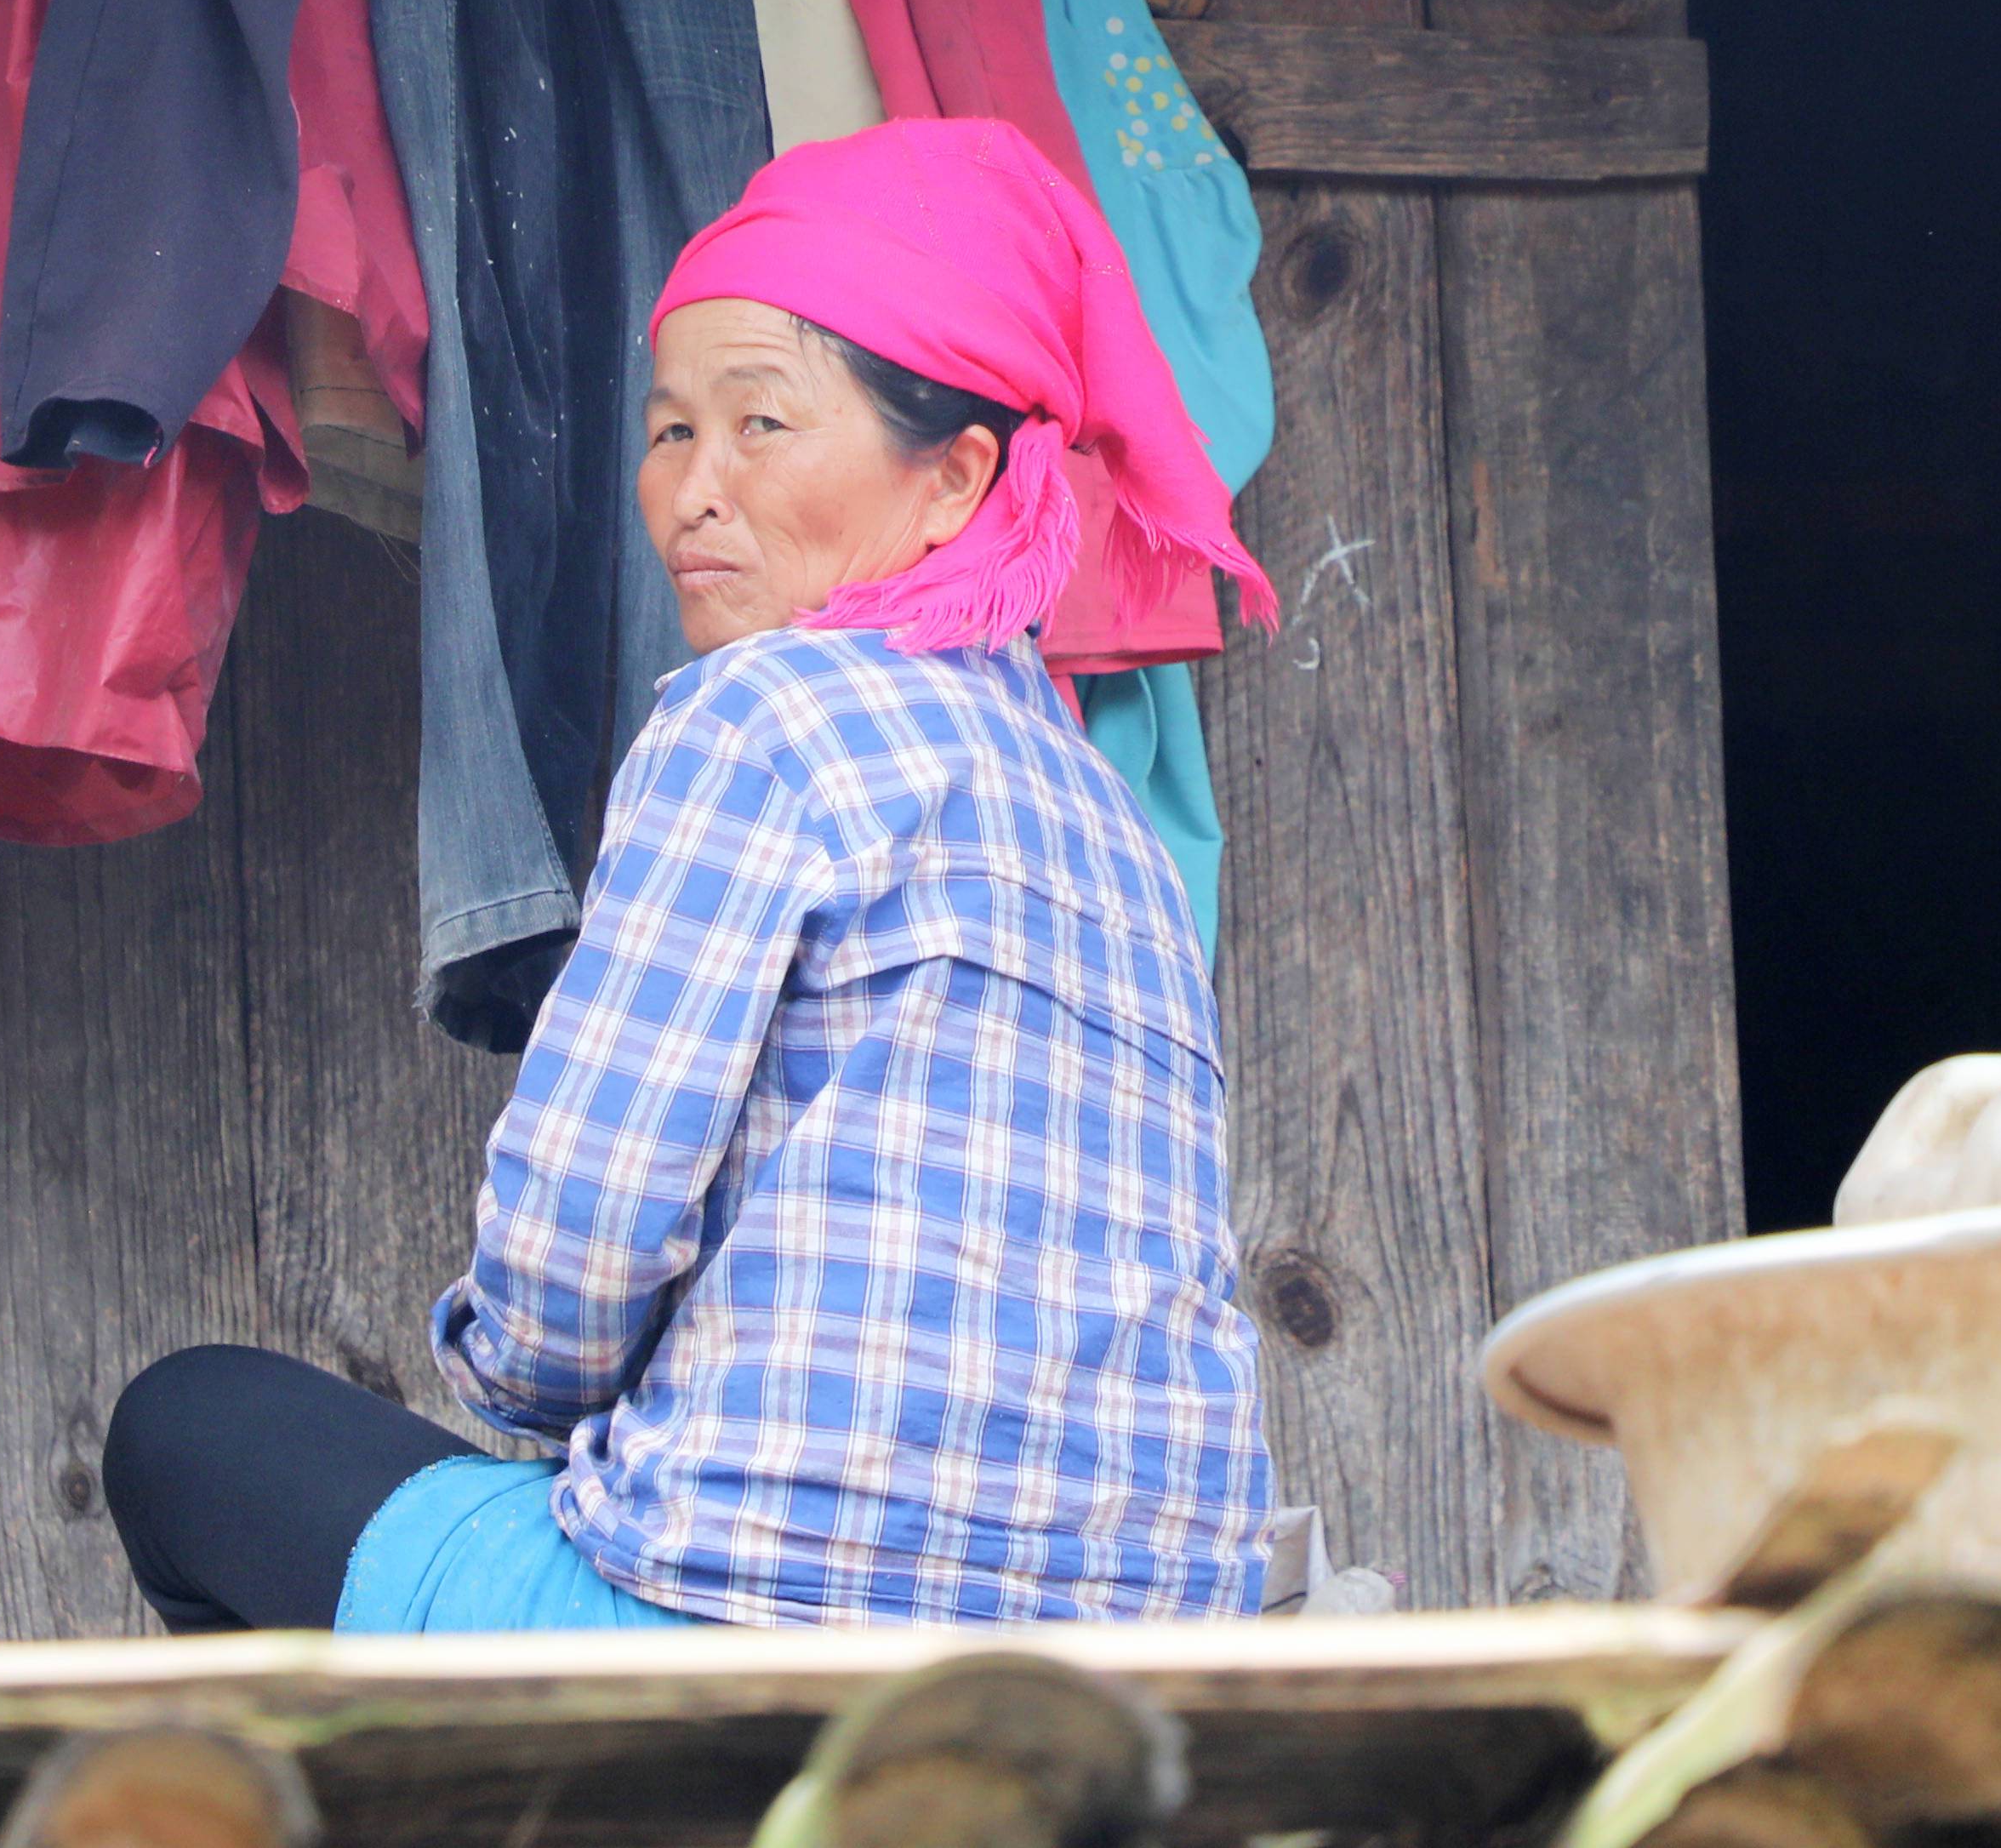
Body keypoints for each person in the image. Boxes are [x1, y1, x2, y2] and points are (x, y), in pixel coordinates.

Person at [102, 118, 1281, 1632]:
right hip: (1124, 1661)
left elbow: (577, 1243)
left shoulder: (765, 714)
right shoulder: (1113, 830)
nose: (692, 493)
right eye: (670, 432)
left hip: (753, 1629)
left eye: (761, 424)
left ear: (956, 477)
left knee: (188, 1427)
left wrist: (531, 1388)